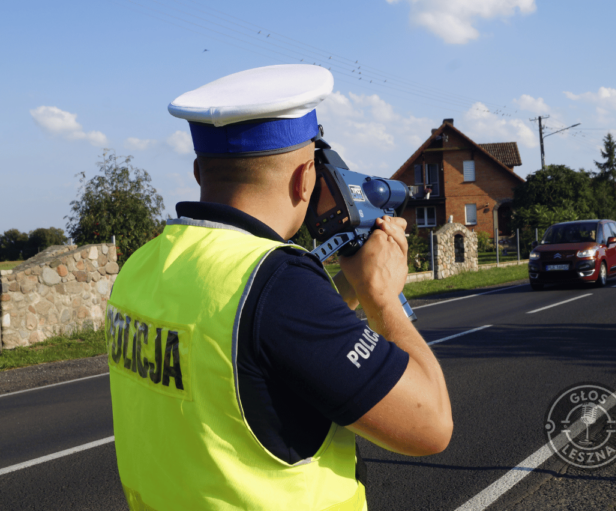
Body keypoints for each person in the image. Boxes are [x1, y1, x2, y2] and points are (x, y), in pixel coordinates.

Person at [106, 64, 453, 511]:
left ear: (198, 171)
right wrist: (384, 300)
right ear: (304, 177)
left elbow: (255, 348)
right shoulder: (279, 285)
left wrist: (351, 288)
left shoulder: (144, 265)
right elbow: (431, 426)